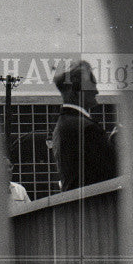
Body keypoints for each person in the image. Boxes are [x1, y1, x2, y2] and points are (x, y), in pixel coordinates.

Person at [51, 60, 117, 191]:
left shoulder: (65, 124)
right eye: (92, 85)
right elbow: (110, 172)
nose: (96, 92)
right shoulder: (86, 128)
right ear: (76, 90)